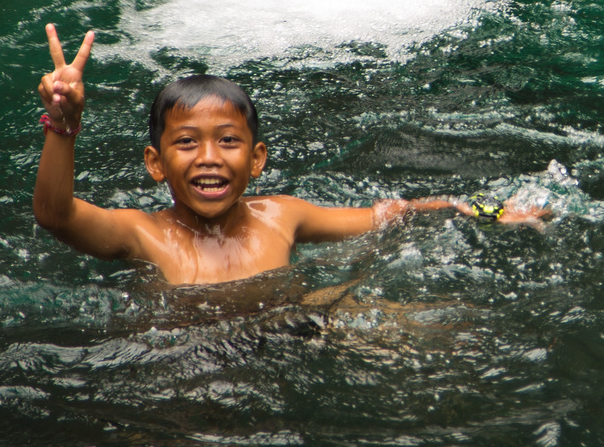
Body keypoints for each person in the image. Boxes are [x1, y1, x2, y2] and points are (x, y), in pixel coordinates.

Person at [33, 23, 543, 286]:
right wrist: (64, 124)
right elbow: (56, 216)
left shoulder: (282, 215)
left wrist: (482, 210)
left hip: (290, 333)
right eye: (187, 142)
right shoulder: (142, 233)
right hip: (181, 357)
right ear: (155, 163)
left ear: (256, 160)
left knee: (438, 327)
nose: (209, 156)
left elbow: (391, 215)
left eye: (228, 141)